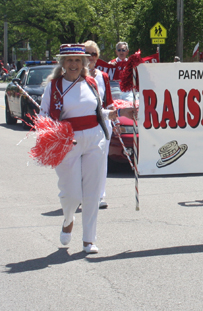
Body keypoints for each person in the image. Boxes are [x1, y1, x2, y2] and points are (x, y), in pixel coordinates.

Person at [39, 44, 136, 253]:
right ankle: (68, 218)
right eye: (69, 60)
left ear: (83, 63)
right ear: (63, 63)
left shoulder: (91, 83)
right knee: (71, 194)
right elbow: (43, 115)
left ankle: (88, 240)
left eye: (77, 60)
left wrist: (121, 113)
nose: (73, 64)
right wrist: (51, 131)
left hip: (95, 139)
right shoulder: (53, 86)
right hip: (67, 142)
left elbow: (100, 111)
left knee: (93, 191)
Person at [85, 40, 114, 209]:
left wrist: (114, 117)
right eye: (86, 54)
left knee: (101, 161)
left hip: (102, 123)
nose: (90, 57)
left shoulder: (103, 76)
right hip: (83, 125)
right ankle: (83, 195)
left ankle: (100, 195)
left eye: (93, 54)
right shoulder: (76, 76)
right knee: (84, 163)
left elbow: (108, 101)